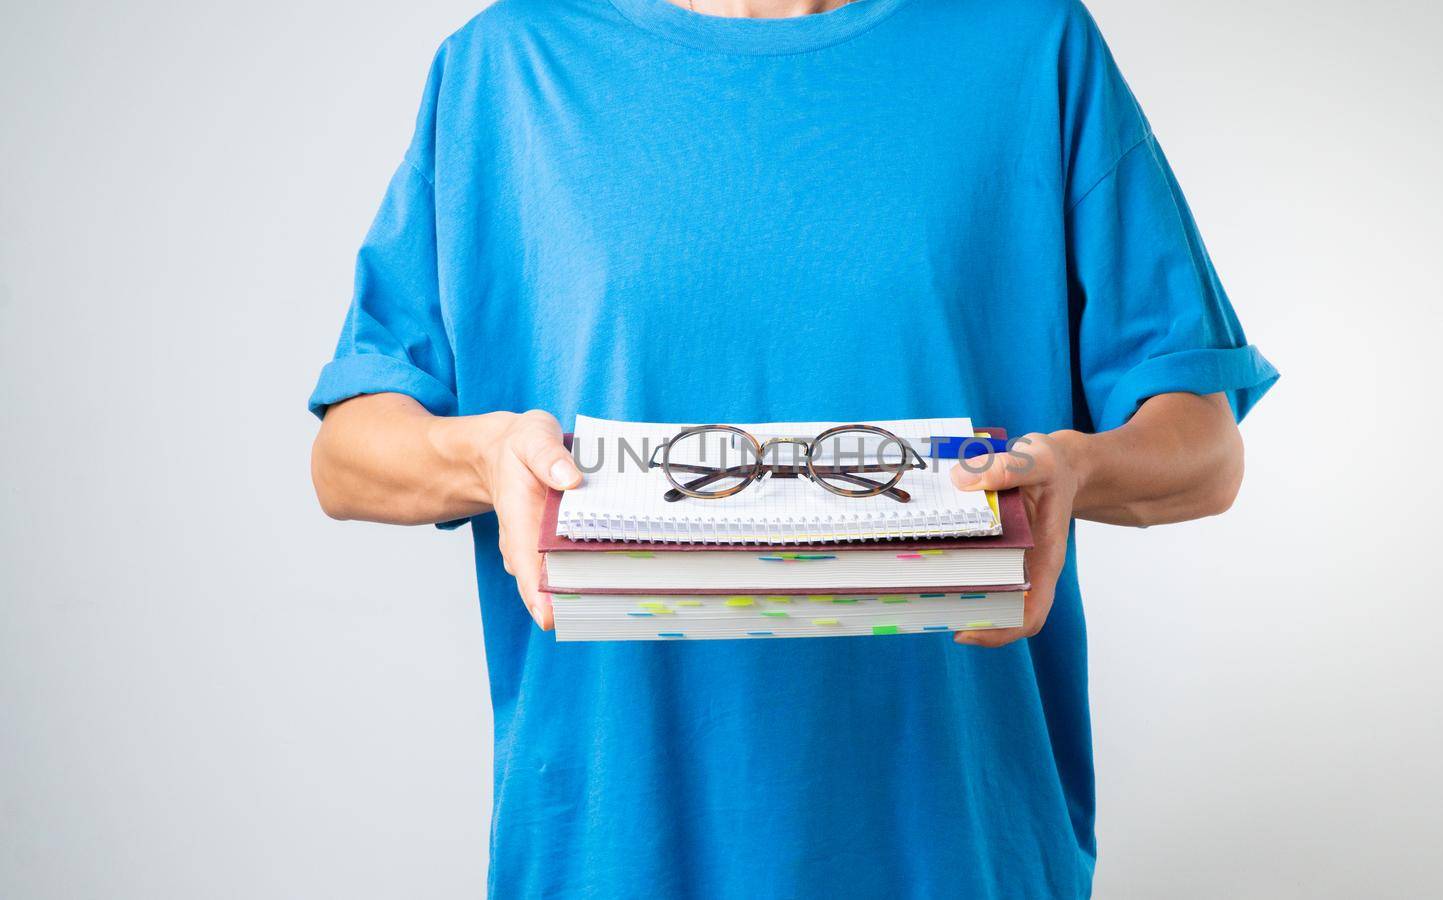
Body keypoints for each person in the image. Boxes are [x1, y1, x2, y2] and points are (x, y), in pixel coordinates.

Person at [308, 0, 1277, 895]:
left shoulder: (1028, 44)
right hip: (611, 844)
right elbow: (348, 453)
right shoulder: (510, 69)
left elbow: (1202, 447)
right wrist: (480, 457)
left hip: (957, 842)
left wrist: (1081, 467)